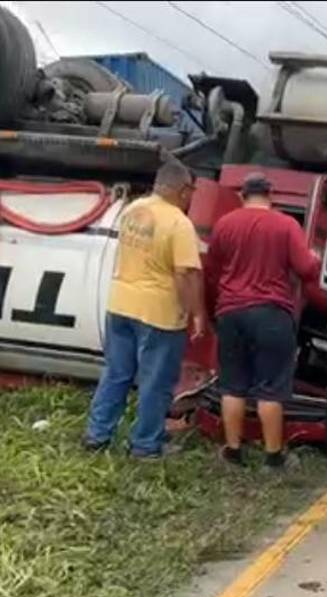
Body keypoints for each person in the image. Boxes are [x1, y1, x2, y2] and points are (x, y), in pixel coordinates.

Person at [83, 158, 205, 458]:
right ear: (183, 190)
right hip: (159, 314)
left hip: (120, 305)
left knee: (116, 373)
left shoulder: (132, 210)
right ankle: (146, 445)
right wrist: (198, 312)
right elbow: (185, 274)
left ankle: (97, 436)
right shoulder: (179, 223)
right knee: (155, 383)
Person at [206, 173, 321, 467]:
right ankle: (273, 457)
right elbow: (307, 269)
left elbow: (213, 269)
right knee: (270, 388)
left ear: (243, 195)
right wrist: (316, 257)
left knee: (232, 385)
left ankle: (232, 451)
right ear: (271, 195)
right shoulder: (285, 225)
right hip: (271, 313)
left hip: (230, 312)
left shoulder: (225, 224)